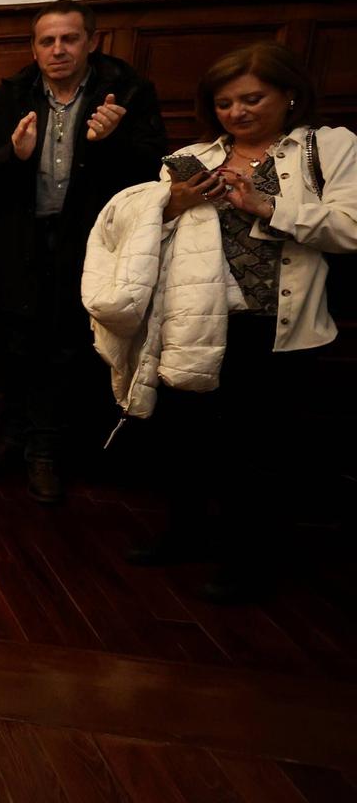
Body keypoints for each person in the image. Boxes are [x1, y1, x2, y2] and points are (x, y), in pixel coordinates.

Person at [95, 43, 355, 603]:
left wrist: (270, 209)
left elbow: (352, 228)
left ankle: (249, 560)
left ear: (289, 94)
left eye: (252, 98)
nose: (237, 112)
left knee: (259, 449)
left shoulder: (328, 148)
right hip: (198, 321)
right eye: (225, 103)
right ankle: (184, 533)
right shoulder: (192, 155)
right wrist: (169, 206)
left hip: (279, 328)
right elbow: (146, 238)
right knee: (185, 437)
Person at [0, 0, 167, 502]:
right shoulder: (12, 94)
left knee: (67, 347)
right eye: (46, 41)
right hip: (21, 242)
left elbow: (155, 175)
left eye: (69, 39)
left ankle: (47, 453)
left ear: (91, 42)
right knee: (16, 344)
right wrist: (15, 155)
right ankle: (13, 441)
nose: (57, 50)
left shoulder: (127, 93)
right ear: (34, 48)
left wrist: (111, 142)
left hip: (89, 245)